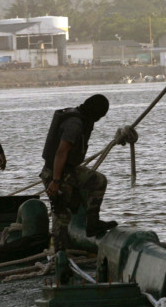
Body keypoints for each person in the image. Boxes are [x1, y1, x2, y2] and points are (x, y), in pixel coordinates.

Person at [40, 94, 117, 247]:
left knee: (93, 186)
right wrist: (55, 181)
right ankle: (61, 252)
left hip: (64, 170)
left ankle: (86, 227)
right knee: (62, 212)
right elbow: (61, 152)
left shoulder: (77, 116)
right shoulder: (75, 124)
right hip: (57, 172)